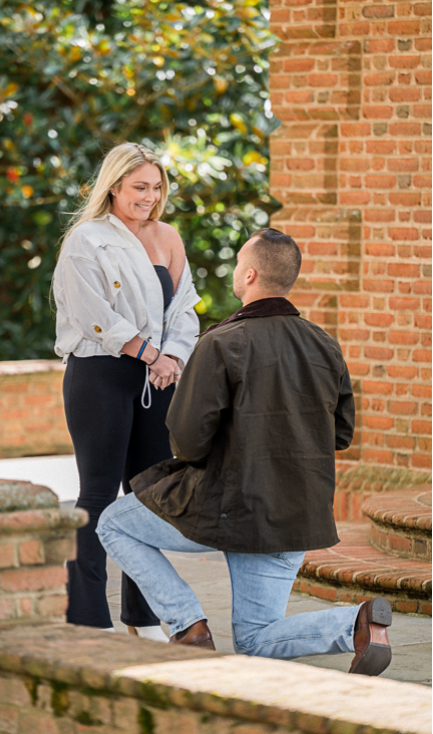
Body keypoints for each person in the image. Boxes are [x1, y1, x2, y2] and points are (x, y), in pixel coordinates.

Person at [97, 228, 393, 675]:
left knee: (113, 523)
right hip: (297, 514)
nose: (236, 269)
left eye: (238, 262)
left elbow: (188, 441)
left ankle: (188, 624)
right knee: (255, 639)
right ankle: (355, 623)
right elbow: (342, 432)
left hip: (232, 508)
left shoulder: (220, 343)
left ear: (250, 274)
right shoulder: (325, 344)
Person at [52, 142, 202, 639]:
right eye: (140, 187)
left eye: (156, 187)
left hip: (158, 378)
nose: (149, 196)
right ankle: (89, 618)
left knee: (147, 498)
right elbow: (93, 315)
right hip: (101, 376)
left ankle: (143, 617)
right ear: (114, 185)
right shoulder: (86, 240)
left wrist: (174, 356)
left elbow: (184, 308)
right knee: (97, 495)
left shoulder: (168, 237)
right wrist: (150, 354)